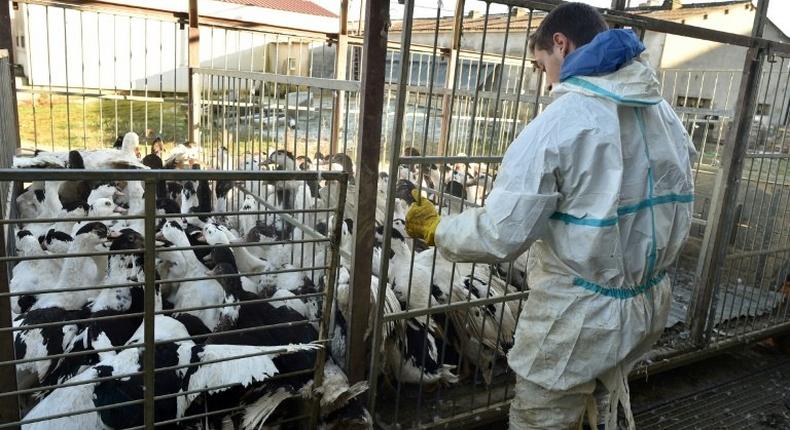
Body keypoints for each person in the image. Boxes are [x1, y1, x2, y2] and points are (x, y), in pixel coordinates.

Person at [405, 3, 696, 429]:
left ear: (560, 44)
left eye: (543, 66)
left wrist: (438, 228)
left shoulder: (562, 122)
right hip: (646, 303)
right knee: (601, 400)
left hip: (579, 316)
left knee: (544, 416)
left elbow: (502, 234)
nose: (547, 81)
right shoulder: (663, 114)